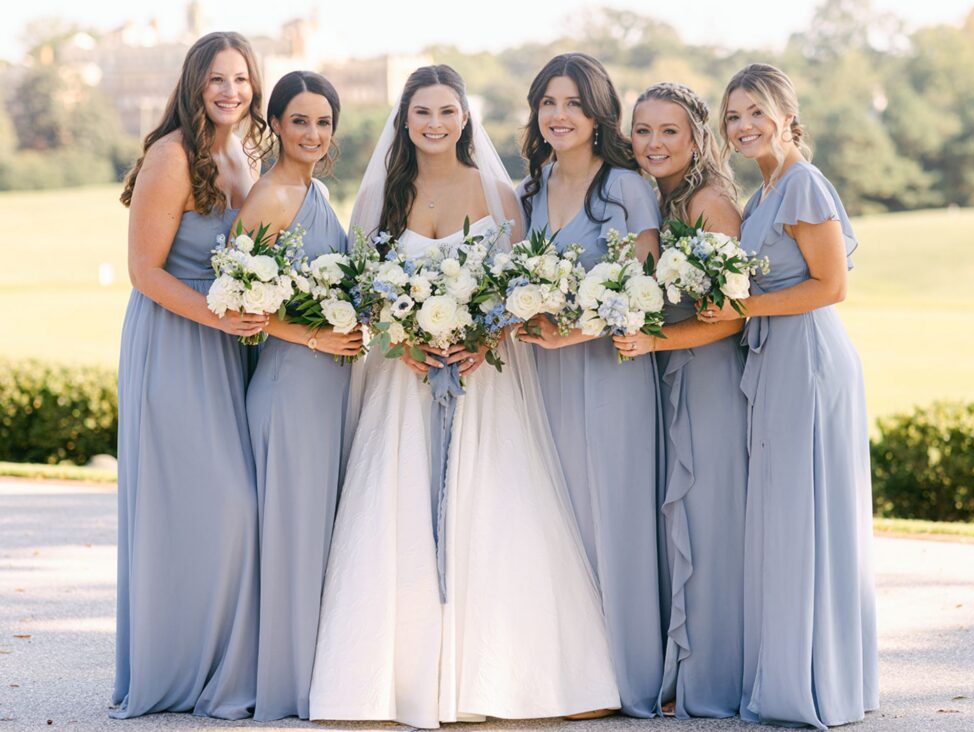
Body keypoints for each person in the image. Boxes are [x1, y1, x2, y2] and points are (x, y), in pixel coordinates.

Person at [308, 64, 619, 729]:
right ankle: (388, 681)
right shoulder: (387, 196)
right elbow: (362, 295)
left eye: (447, 111)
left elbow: (516, 286)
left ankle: (505, 677)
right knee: (397, 515)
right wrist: (403, 338)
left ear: (465, 118)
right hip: (404, 379)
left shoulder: (494, 190)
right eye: (422, 112)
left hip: (482, 382)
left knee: (494, 514)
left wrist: (482, 340)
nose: (435, 124)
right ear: (405, 119)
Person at [701, 62, 879, 729]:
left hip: (808, 360)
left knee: (805, 514)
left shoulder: (802, 183)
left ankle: (813, 685)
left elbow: (831, 286)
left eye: (754, 112)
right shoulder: (764, 191)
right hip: (777, 358)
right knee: (786, 516)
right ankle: (799, 673)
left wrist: (743, 303)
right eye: (733, 116)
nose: (742, 126)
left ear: (786, 113)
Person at [113, 31, 265, 719]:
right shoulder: (172, 156)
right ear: (194, 84)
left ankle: (218, 668)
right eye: (217, 79)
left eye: (241, 79)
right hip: (176, 341)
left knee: (232, 509)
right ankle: (176, 670)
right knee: (217, 505)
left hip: (227, 345)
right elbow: (143, 272)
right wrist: (220, 318)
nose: (230, 90)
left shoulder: (244, 153)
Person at [516, 52, 664, 718]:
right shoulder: (530, 188)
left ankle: (630, 677)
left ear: (598, 110)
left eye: (573, 102)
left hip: (611, 374)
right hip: (543, 376)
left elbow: (647, 291)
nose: (559, 115)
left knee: (616, 516)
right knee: (561, 518)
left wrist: (577, 331)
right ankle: (575, 678)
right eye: (549, 101)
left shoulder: (628, 187)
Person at [615, 81, 747, 719]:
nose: (653, 143)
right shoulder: (654, 201)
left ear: (696, 137)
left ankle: (714, 680)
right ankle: (683, 671)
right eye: (643, 130)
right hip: (671, 373)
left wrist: (652, 337)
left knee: (710, 525)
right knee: (681, 525)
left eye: (669, 131)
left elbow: (731, 317)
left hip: (711, 378)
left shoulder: (710, 202)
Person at [236, 70, 362, 722]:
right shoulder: (273, 195)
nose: (312, 133)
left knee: (313, 533)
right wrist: (316, 340)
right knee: (290, 536)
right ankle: (282, 687)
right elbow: (236, 304)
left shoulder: (314, 191)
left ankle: (312, 675)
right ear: (276, 125)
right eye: (300, 121)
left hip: (323, 389)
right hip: (290, 387)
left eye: (322, 122)